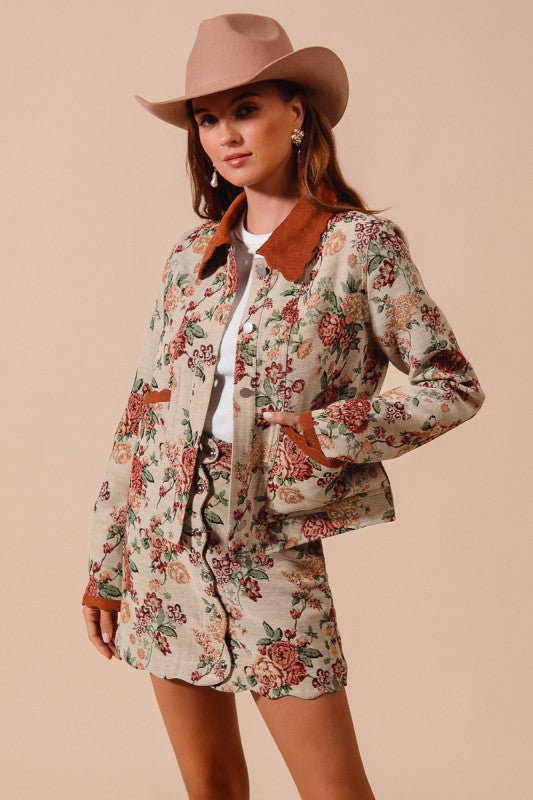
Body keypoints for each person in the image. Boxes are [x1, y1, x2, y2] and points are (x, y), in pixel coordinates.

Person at [81, 13, 485, 800]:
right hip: (163, 552)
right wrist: (106, 566)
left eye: (245, 109)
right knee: (211, 787)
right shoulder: (188, 260)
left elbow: (451, 383)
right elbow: (140, 417)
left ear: (296, 113)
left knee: (334, 792)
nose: (226, 135)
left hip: (269, 547)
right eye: (207, 119)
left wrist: (323, 433)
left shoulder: (358, 246)